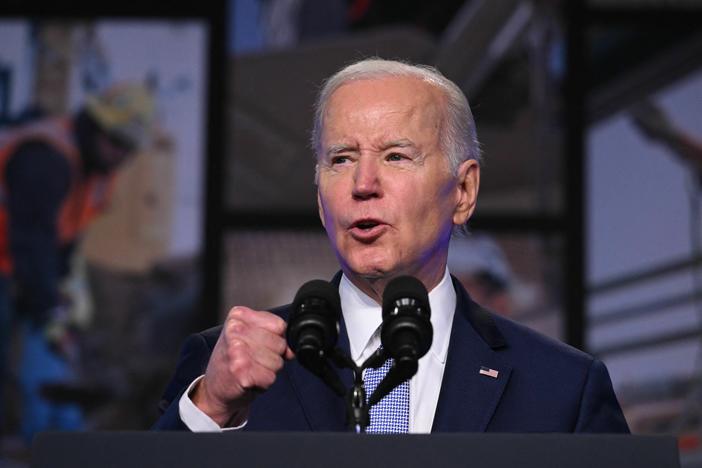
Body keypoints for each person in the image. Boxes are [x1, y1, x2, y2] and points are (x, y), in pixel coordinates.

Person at [153, 58, 629, 433]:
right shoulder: (223, 368)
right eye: (341, 159)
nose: (363, 184)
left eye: (396, 156)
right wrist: (211, 407)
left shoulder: (562, 387)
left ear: (463, 192)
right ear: (320, 199)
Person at [0, 81, 154, 441]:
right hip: (12, 262)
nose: (119, 154)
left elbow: (64, 237)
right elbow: (32, 241)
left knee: (45, 352)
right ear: (94, 125)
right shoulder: (47, 158)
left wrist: (61, 293)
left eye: (128, 148)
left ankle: (53, 439)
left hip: (15, 264)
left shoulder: (96, 171)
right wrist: (48, 308)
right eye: (115, 141)